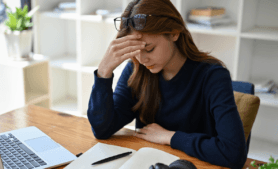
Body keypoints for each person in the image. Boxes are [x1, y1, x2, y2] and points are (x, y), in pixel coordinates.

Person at [87, 0, 247, 168]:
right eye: (135, 51)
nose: (142, 59)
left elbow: (233, 153)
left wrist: (170, 137)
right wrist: (103, 72)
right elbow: (102, 129)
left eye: (149, 49)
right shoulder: (137, 70)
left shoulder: (213, 76)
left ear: (174, 33)